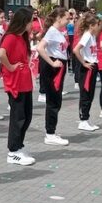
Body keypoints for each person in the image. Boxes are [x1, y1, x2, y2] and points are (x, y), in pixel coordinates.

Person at [0, 8, 36, 166]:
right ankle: (13, 150)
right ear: (24, 22)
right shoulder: (11, 37)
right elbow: (1, 54)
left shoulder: (22, 37)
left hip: (25, 82)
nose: (32, 24)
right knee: (18, 117)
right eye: (30, 21)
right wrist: (11, 67)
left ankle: (19, 145)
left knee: (27, 116)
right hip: (15, 82)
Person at [36, 8, 70, 147]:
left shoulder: (57, 32)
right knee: (53, 101)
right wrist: (52, 63)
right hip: (53, 69)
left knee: (56, 100)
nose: (68, 21)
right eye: (67, 18)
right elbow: (40, 48)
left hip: (59, 68)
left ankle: (51, 131)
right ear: (59, 18)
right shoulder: (52, 31)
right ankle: (50, 134)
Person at [73, 14, 101, 132]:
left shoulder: (92, 36)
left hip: (93, 65)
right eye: (97, 25)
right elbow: (76, 49)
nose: (98, 27)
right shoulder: (87, 35)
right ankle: (83, 120)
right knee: (86, 94)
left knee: (90, 94)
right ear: (91, 26)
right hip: (88, 67)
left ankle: (86, 118)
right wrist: (84, 63)